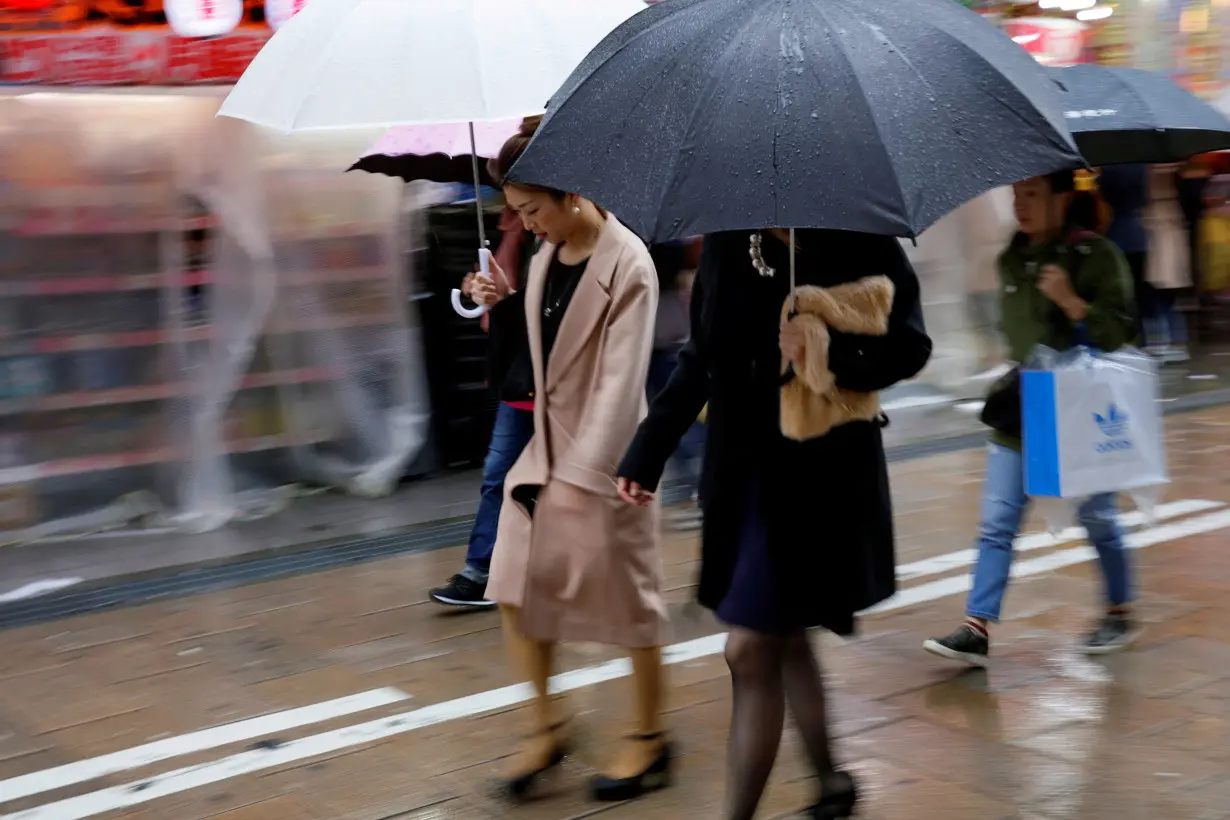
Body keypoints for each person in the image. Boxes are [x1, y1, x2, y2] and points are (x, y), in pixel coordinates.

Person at [617, 228, 932, 820]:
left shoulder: (859, 237)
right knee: (781, 636)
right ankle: (831, 782)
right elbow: (700, 356)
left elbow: (910, 345)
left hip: (822, 479)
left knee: (750, 648)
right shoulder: (727, 241)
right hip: (746, 477)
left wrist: (825, 351)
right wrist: (647, 451)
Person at [479, 124, 670, 803]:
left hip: (609, 464)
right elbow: (535, 366)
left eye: (533, 209)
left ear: (572, 192)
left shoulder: (629, 263)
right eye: (519, 213)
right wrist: (500, 308)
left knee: (630, 606)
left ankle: (650, 738)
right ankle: (546, 724)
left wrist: (584, 478)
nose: (526, 225)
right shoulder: (543, 258)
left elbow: (621, 386)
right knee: (510, 586)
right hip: (544, 454)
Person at [923, 170, 1139, 666]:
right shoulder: (1011, 259)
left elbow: (1121, 335)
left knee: (1097, 518)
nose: (1021, 205)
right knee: (997, 522)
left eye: (1034, 194)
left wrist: (1071, 302)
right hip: (1023, 406)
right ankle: (976, 626)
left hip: (1080, 408)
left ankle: (1119, 609)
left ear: (1063, 198)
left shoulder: (1096, 255)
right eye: (1016, 194)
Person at [429, 118, 542, 609]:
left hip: (559, 381)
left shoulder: (572, 237)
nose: (515, 208)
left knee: (544, 479)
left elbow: (555, 312)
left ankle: (521, 568)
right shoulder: (514, 226)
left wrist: (509, 297)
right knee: (501, 472)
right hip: (519, 373)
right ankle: (484, 570)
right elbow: (510, 298)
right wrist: (483, 289)